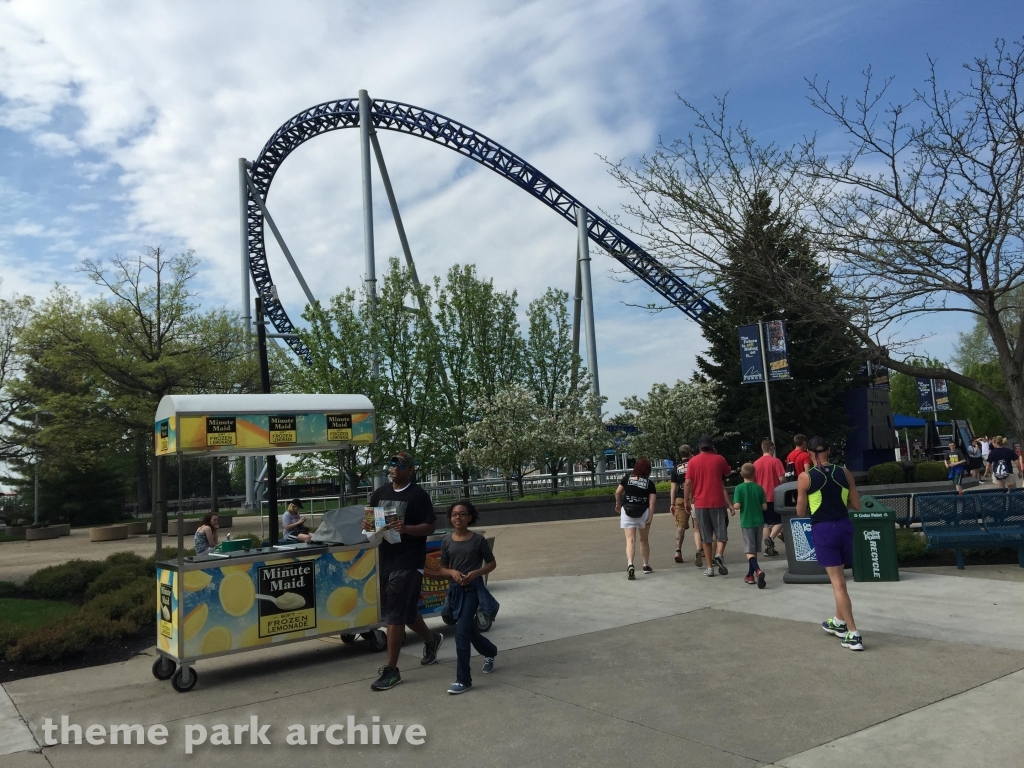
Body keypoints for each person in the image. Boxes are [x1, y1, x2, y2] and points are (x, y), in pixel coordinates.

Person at [361, 451, 442, 691]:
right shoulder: (379, 493)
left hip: (410, 560)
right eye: (392, 463)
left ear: (411, 470)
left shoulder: (417, 495)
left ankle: (392, 670)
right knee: (406, 612)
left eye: (400, 464)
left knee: (394, 613)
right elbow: (372, 524)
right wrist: (366, 525)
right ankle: (432, 639)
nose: (394, 467)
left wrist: (406, 528)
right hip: (386, 558)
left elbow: (429, 525)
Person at [796, 436, 864, 652]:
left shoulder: (805, 477)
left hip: (824, 529)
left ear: (808, 452)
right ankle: (838, 621)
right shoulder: (844, 472)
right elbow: (857, 505)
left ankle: (853, 633)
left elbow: (800, 511)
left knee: (837, 583)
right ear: (829, 450)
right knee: (841, 579)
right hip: (844, 526)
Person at [438, 501, 498, 694]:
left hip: (473, 590)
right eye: (454, 514)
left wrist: (476, 573)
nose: (458, 517)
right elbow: (442, 568)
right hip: (456, 590)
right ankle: (490, 651)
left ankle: (463, 679)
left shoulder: (478, 540)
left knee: (461, 632)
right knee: (468, 630)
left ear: (470, 517)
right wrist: (452, 572)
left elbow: (491, 564)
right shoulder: (447, 541)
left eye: (462, 514)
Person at [684, 435, 733, 577]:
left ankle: (709, 567)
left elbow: (687, 483)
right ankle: (719, 554)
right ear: (712, 446)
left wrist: (686, 500)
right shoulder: (719, 459)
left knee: (706, 536)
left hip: (700, 503)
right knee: (721, 533)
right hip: (717, 501)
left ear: (699, 447)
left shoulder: (693, 462)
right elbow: (728, 471)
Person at [615, 458, 658, 579]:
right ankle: (645, 565)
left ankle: (630, 564)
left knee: (630, 540)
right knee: (643, 540)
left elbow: (617, 492)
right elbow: (652, 502)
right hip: (643, 513)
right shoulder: (649, 483)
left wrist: (618, 504)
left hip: (627, 511)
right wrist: (650, 517)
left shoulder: (627, 478)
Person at [731, 463, 767, 588]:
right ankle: (750, 575)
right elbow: (764, 506)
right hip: (759, 521)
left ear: (741, 474)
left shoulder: (739, 488)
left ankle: (758, 571)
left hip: (747, 521)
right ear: (754, 474)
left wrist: (732, 506)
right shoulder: (759, 488)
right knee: (754, 549)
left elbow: (737, 506)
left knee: (748, 550)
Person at [754, 440, 786, 556]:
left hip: (761, 498)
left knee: (766, 524)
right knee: (780, 521)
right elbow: (782, 479)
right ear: (771, 448)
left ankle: (769, 549)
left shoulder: (755, 464)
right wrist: (786, 486)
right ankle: (771, 539)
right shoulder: (776, 461)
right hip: (774, 496)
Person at [668, 445, 694, 564]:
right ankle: (702, 549)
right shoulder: (694, 463)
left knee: (680, 526)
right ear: (689, 452)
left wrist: (672, 503)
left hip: (680, 498)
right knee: (699, 525)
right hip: (694, 497)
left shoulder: (675, 468)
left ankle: (678, 550)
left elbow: (673, 487)